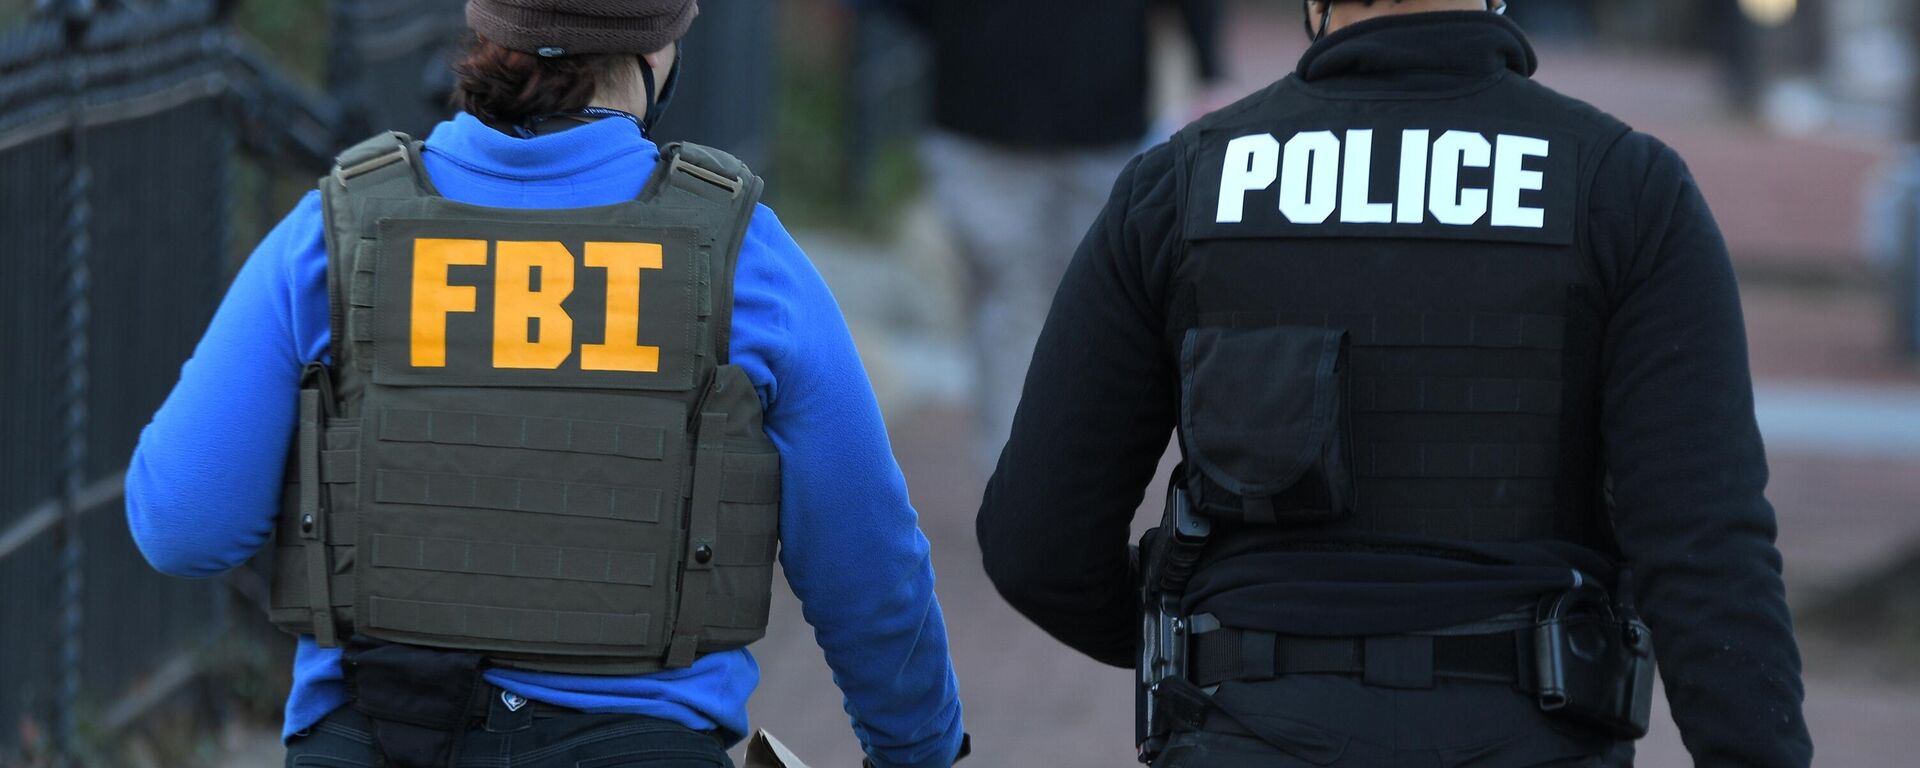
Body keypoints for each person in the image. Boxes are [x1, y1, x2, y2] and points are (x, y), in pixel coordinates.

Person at [125, 2, 967, 767]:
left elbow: (182, 525)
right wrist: (919, 750)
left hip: (372, 737)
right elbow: (869, 563)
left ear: (485, 32)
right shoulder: (744, 256)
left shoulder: (337, 232)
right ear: (660, 46)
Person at [976, 1, 1812, 766]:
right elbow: (1706, 553)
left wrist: (1208, 640)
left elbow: (1036, 545)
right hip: (1531, 734)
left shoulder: (1181, 187)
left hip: (1245, 731)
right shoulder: (1627, 190)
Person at [884, 0, 1226, 472]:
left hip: (1022, 108)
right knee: (1066, 307)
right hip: (1058, 111)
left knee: (1036, 309)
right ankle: (1035, 487)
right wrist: (1208, 64)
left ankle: (1029, 487)